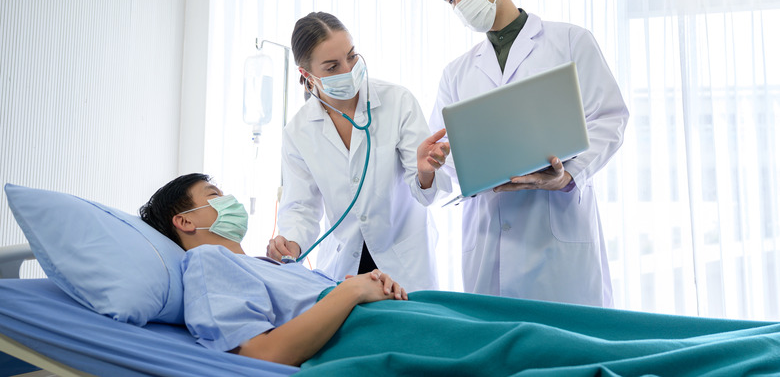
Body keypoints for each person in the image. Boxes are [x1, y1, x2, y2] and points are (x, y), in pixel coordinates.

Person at [138, 174, 780, 375]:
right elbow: (262, 353)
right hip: (367, 335)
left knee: (574, 323)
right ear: (187, 222)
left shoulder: (254, 263)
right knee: (539, 346)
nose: (228, 201)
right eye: (214, 194)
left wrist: (362, 287)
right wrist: (355, 289)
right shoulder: (206, 266)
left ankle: (755, 338)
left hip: (398, 307)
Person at [429, 0, 629, 306]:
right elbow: (445, 151)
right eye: (450, 0)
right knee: (498, 353)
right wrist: (442, 162)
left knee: (569, 348)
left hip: (556, 230)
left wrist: (568, 175)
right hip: (489, 233)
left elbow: (609, 118)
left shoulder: (569, 41)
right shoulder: (455, 73)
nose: (458, 3)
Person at [265, 12, 451, 292]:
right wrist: (291, 242)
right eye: (332, 67)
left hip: (405, 264)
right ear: (307, 75)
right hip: (343, 268)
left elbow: (424, 191)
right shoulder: (298, 131)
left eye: (351, 56)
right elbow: (301, 207)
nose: (348, 70)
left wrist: (425, 173)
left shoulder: (397, 101)